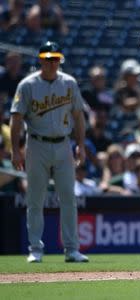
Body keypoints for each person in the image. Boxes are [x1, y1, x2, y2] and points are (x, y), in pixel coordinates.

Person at [9, 41, 88, 263]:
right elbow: (16, 118)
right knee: (35, 198)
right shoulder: (27, 85)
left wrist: (80, 145)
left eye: (55, 58)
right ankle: (35, 249)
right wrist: (15, 150)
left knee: (68, 198)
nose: (52, 62)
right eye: (48, 58)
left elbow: (78, 116)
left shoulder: (69, 83)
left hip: (63, 144)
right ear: (40, 59)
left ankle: (72, 249)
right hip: (36, 144)